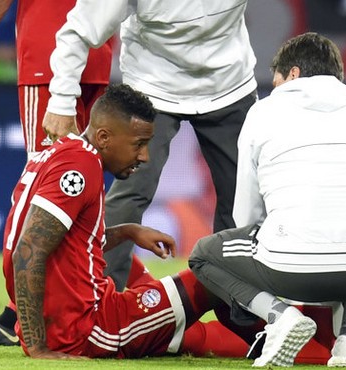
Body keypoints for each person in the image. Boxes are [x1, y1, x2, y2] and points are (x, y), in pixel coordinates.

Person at [189, 32, 346, 368]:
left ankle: (281, 318)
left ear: (292, 74)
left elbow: (246, 215)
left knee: (203, 256)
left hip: (287, 270)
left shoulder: (262, 113)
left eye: (275, 80)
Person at [2, 83, 253, 359]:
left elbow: (68, 243)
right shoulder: (81, 167)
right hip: (91, 328)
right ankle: (282, 335)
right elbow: (27, 252)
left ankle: (182, 334)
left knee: (175, 325)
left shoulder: (60, 153)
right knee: (214, 272)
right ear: (104, 137)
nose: (145, 156)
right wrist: (39, 349)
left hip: (71, 321)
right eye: (139, 144)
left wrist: (128, 231)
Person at [42, 0, 258, 293]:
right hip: (152, 86)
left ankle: (240, 304)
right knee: (131, 192)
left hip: (229, 85)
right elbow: (78, 29)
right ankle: (99, 298)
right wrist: (61, 100)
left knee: (244, 199)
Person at [0, 0, 113, 346]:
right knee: (81, 187)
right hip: (98, 55)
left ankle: (21, 316)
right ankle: (81, 305)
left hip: (50, 57)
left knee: (42, 187)